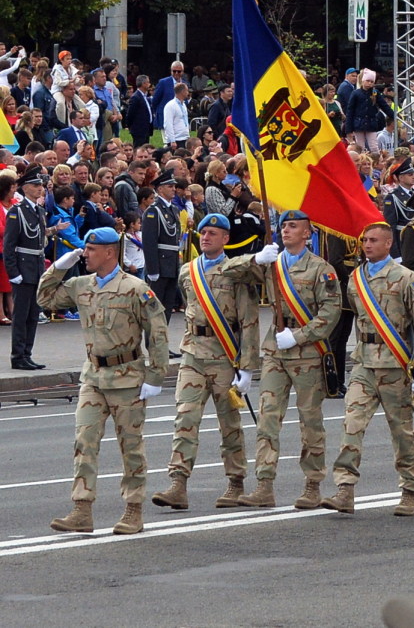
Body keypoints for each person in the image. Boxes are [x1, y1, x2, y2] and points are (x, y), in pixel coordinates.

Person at [41, 228, 169, 535]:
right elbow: (44, 299)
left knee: (131, 447)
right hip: (93, 377)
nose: (85, 253)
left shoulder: (135, 288)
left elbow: (158, 333)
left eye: (91, 249)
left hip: (127, 378)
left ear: (109, 252)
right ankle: (81, 510)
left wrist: (156, 375)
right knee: (84, 442)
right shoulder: (80, 285)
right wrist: (57, 267)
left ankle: (133, 510)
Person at [320, 221, 414, 517]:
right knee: (352, 424)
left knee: (402, 431)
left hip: (395, 366)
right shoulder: (356, 278)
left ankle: (409, 490)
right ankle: (345, 489)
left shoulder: (406, 278)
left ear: (388, 244)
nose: (367, 245)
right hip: (364, 363)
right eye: (364, 240)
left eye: (373, 240)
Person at [228, 210, 342, 510]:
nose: (286, 230)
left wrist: (300, 336)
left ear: (308, 233)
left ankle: (313, 485)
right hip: (275, 351)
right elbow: (228, 271)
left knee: (310, 420)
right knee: (267, 419)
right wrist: (255, 259)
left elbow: (330, 313)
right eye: (283, 226)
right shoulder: (272, 264)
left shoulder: (321, 269)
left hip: (305, 351)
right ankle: (264, 485)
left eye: (293, 226)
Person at [148, 213, 259, 511]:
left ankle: (236, 483)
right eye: (203, 232)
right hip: (193, 354)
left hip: (225, 357)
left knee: (229, 424)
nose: (206, 237)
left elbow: (248, 320)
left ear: (226, 238)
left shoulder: (236, 272)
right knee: (185, 418)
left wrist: (247, 366)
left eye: (213, 233)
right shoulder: (188, 271)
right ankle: (178, 484)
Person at [5, 167, 52, 370]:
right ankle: (17, 355)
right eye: (35, 185)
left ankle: (27, 353)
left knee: (33, 314)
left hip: (37, 267)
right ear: (24, 188)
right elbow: (9, 245)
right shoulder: (17, 212)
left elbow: (41, 242)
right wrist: (13, 272)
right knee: (21, 315)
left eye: (40, 185)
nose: (39, 189)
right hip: (23, 268)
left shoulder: (39, 211)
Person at [143, 170, 183, 336]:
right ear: (159, 189)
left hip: (171, 265)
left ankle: (162, 342)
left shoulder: (173, 209)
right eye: (169, 186)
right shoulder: (153, 211)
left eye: (174, 186)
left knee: (166, 307)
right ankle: (153, 343)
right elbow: (149, 243)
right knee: (155, 308)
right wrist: (153, 270)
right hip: (159, 265)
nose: (174, 188)